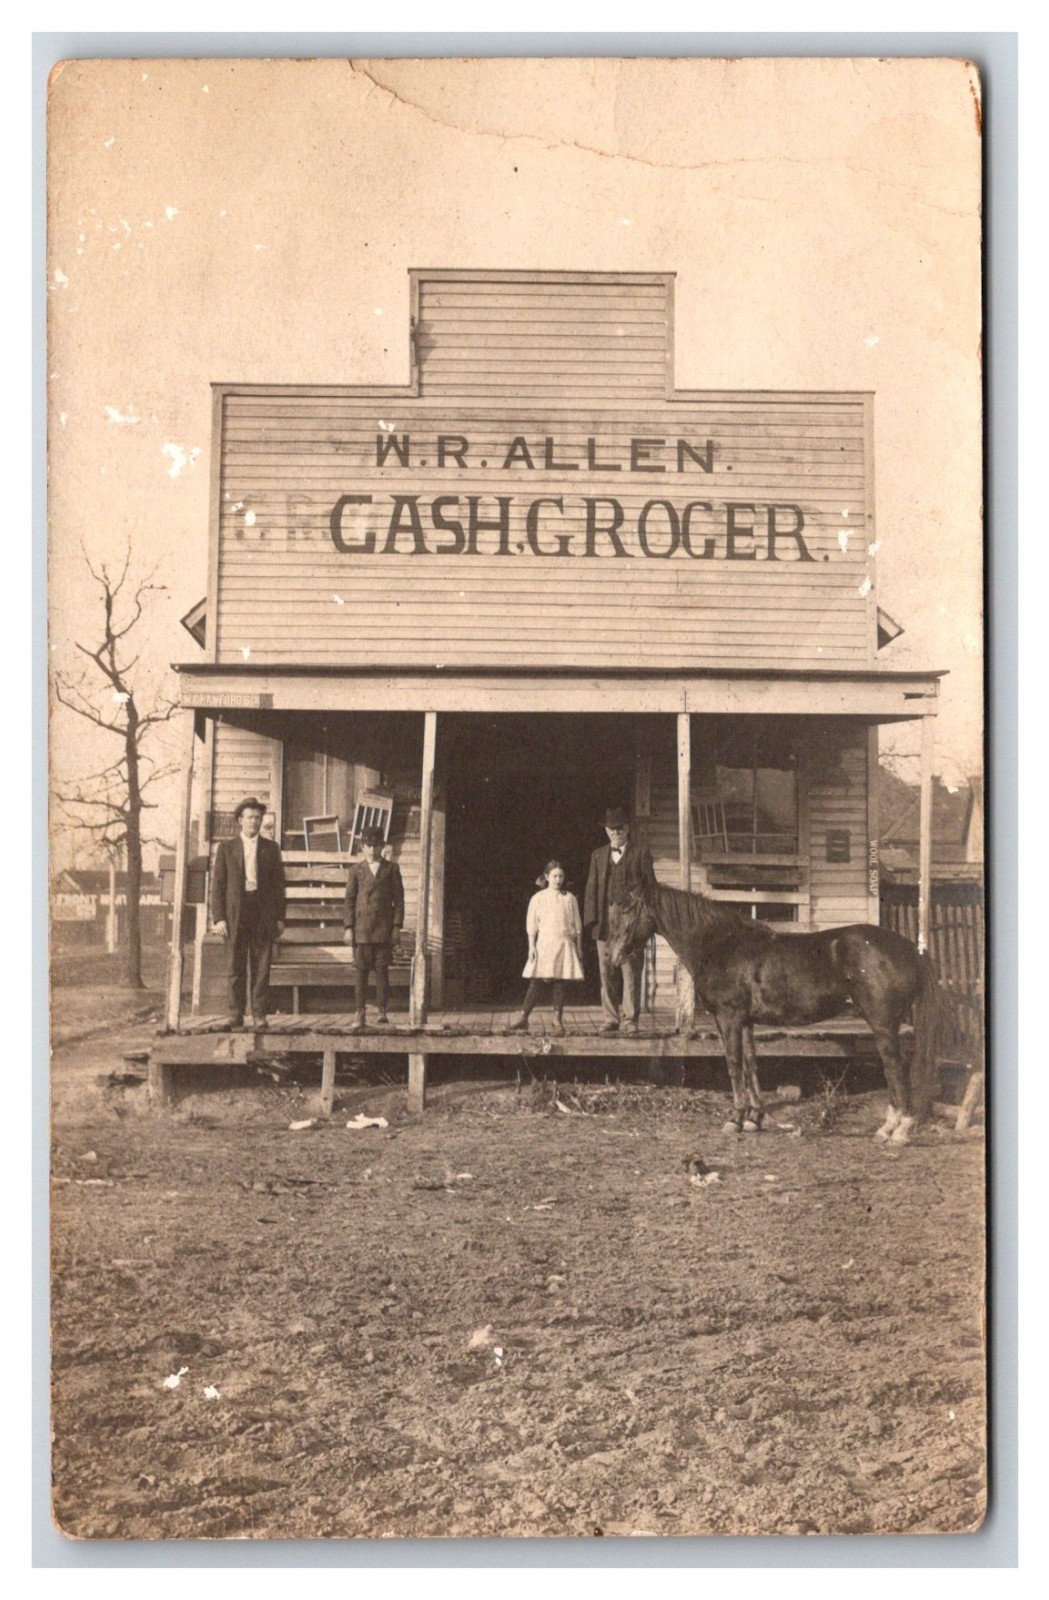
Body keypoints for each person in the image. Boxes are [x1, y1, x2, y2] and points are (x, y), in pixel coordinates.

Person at [210, 797, 286, 1030]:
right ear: (240, 820)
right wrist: (219, 918)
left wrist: (280, 917)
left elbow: (278, 886)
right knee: (236, 964)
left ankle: (259, 1014)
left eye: (258, 818)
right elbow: (218, 885)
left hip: (262, 912)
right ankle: (236, 1013)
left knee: (262, 966)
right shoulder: (226, 848)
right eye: (250, 817)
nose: (254, 821)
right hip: (236, 913)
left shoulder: (271, 848)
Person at [583, 806, 656, 1036]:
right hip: (605, 922)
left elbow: (651, 890)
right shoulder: (598, 855)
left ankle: (630, 1019)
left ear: (628, 829)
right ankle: (610, 1018)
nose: (616, 832)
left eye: (620, 828)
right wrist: (591, 922)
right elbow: (591, 889)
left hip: (631, 924)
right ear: (606, 831)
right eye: (611, 829)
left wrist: (645, 925)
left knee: (630, 972)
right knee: (606, 973)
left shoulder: (640, 853)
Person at [508, 861, 584, 1036]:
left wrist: (579, 947)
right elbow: (532, 925)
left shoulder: (570, 898)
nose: (558, 880)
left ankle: (557, 1019)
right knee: (537, 980)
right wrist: (531, 947)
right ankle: (523, 1016)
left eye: (561, 876)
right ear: (547, 877)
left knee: (560, 981)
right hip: (544, 944)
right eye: (555, 876)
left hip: (564, 944)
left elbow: (577, 925)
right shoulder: (538, 898)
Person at [343, 825, 405, 1030]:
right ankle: (359, 1011)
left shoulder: (391, 869)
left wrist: (396, 927)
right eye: (368, 845)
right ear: (362, 847)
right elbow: (349, 900)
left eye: (376, 845)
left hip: (383, 930)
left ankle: (381, 1010)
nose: (372, 849)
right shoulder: (356, 870)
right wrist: (349, 927)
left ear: (382, 846)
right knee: (360, 972)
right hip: (361, 931)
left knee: (382, 971)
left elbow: (399, 901)